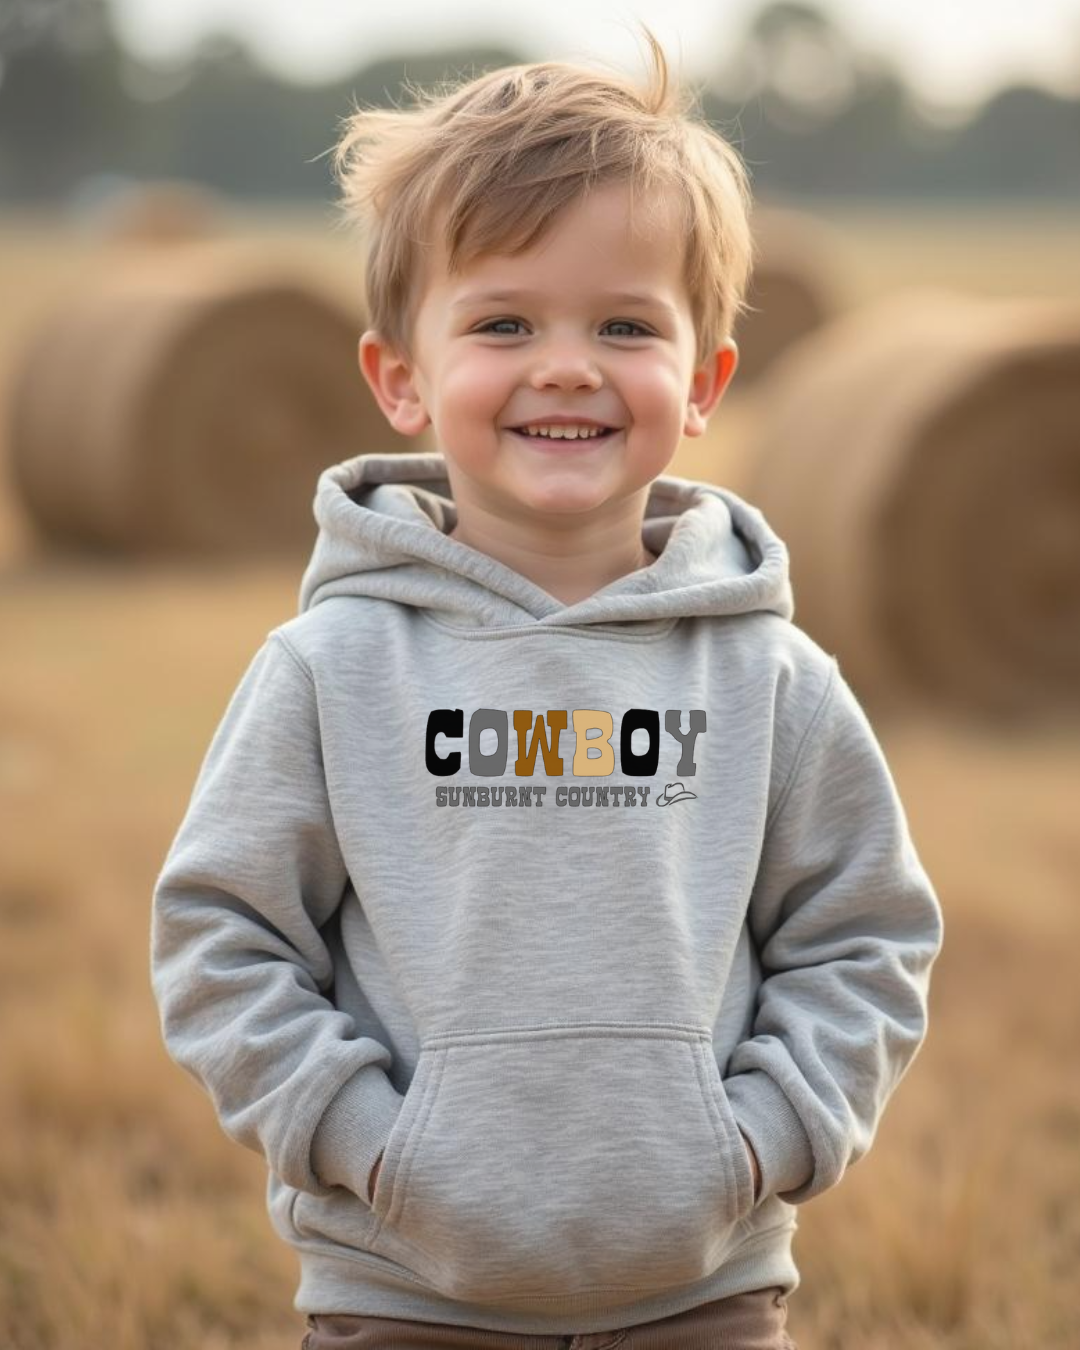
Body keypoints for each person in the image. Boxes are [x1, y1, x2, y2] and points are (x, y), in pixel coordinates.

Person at [150, 25, 945, 1350]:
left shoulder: (773, 676)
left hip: (707, 1297)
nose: (567, 363)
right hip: (400, 1298)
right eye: (504, 322)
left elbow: (865, 938)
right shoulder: (331, 669)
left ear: (704, 380)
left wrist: (759, 1142)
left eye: (624, 325)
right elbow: (222, 941)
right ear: (400, 378)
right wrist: (369, 1144)